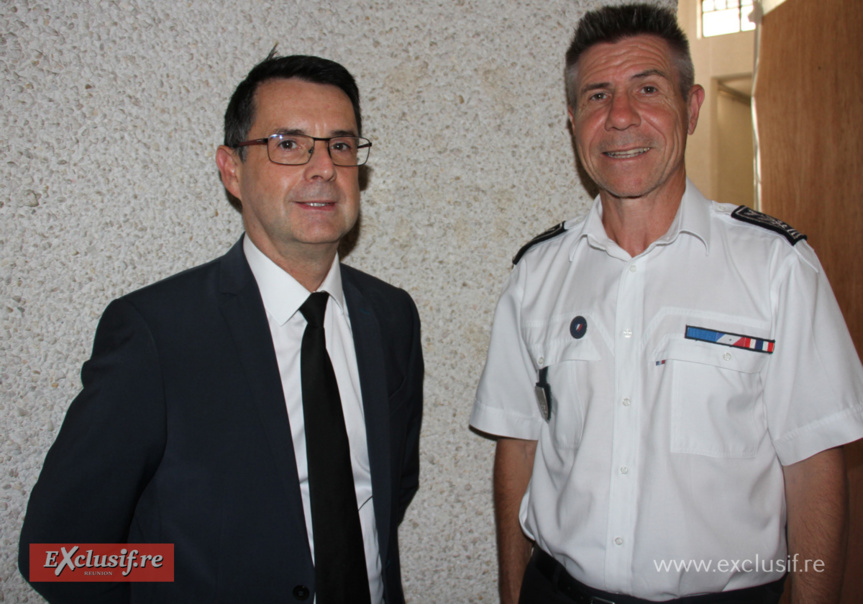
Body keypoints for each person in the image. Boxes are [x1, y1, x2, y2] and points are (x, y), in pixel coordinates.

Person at [470, 4, 863, 604]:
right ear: (573, 120)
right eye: (597, 96)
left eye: (647, 89)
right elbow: (518, 448)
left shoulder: (777, 268)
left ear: (693, 107)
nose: (620, 117)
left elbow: (815, 469)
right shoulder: (536, 275)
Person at [19, 53, 423, 604]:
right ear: (232, 170)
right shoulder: (156, 334)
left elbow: (387, 489)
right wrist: (186, 576)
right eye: (288, 143)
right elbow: (57, 553)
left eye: (342, 145)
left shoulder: (392, 317)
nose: (323, 167)